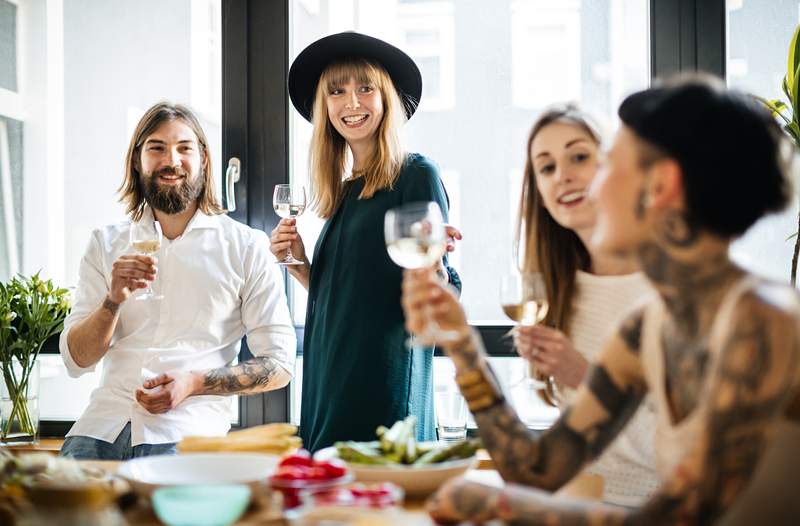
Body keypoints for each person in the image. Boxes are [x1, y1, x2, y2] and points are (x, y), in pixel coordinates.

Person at [401, 74, 800, 524]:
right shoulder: (647, 326)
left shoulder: (762, 321)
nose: (593, 187)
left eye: (608, 164)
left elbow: (682, 517)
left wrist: (502, 503)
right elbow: (536, 471)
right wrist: (461, 344)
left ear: (661, 185)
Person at [59, 102, 296, 460]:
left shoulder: (246, 246)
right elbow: (77, 359)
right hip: (99, 428)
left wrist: (194, 383)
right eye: (156, 147)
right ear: (138, 160)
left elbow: (279, 365)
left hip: (188, 433)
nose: (172, 161)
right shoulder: (104, 244)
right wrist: (112, 302)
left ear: (202, 157)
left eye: (184, 148)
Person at [271, 31, 460, 452]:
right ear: (325, 108)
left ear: (386, 98)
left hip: (383, 382)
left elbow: (436, 294)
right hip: (330, 376)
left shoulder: (416, 175)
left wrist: (437, 268)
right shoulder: (345, 192)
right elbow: (346, 295)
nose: (351, 103)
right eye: (336, 92)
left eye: (365, 88)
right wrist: (300, 263)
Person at [512, 103, 659, 506]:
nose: (563, 176)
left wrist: (586, 378)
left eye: (579, 157)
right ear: (539, 195)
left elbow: (689, 446)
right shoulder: (558, 291)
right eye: (546, 167)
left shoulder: (666, 287)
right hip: (581, 500)